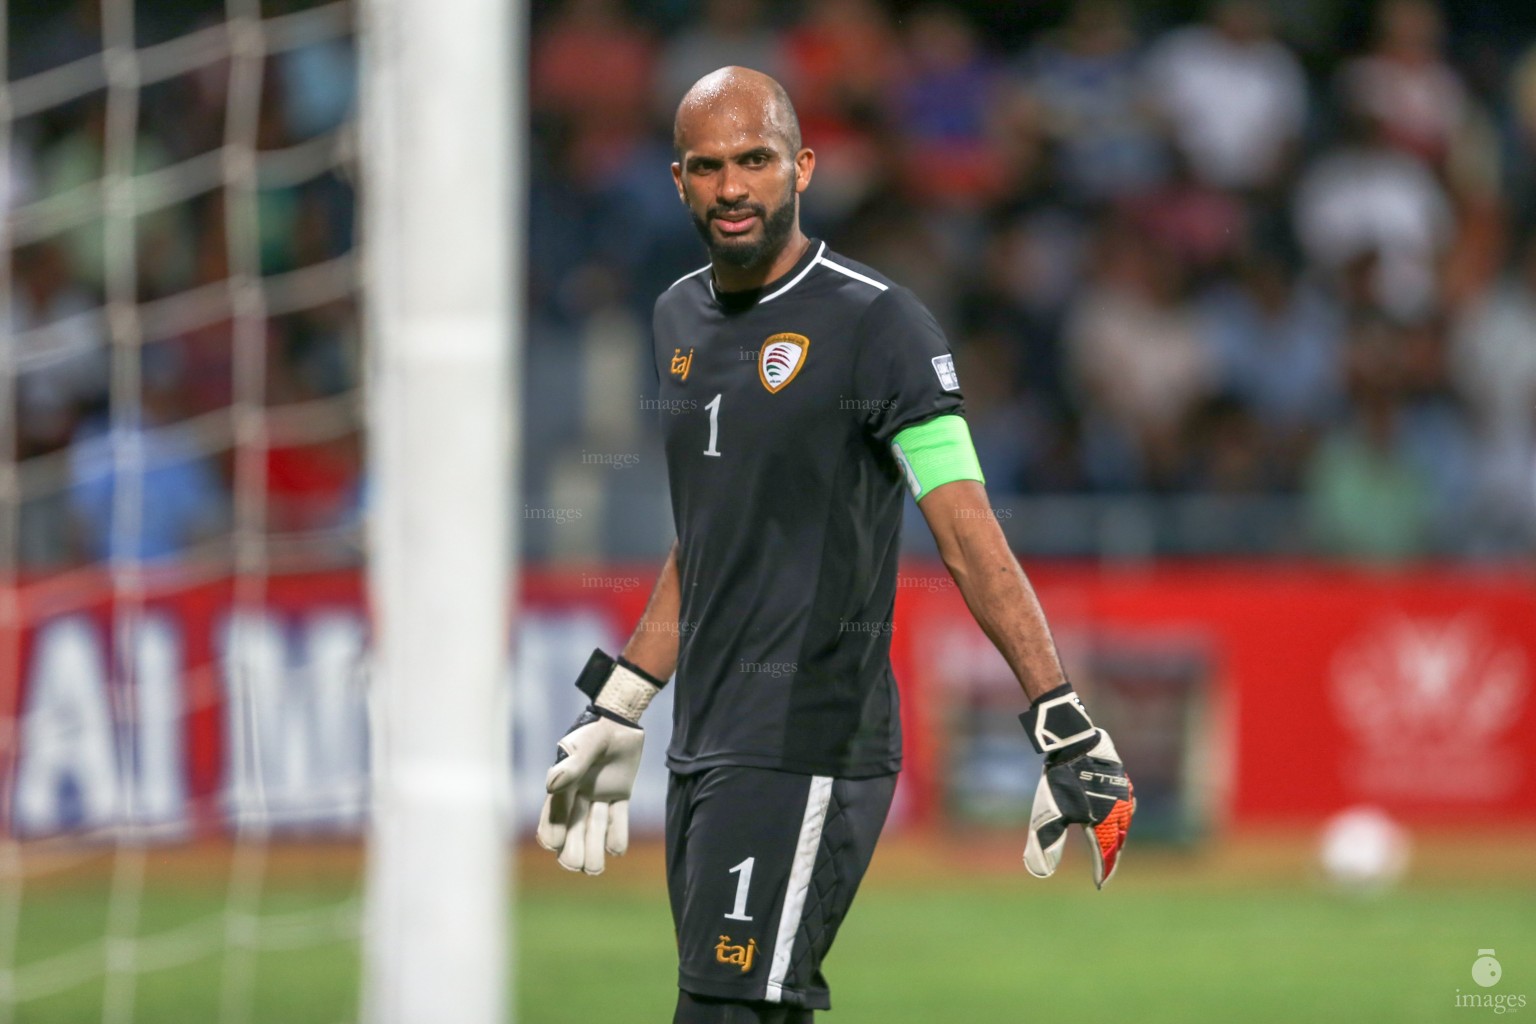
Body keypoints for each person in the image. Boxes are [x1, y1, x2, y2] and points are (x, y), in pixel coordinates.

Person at [535, 67, 1135, 1024]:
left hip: (811, 738)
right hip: (709, 745)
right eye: (708, 166)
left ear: (803, 167)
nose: (734, 186)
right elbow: (709, 539)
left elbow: (968, 529)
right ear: (678, 180)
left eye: (757, 160)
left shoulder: (878, 324)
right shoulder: (675, 318)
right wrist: (623, 701)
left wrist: (1057, 712)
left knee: (724, 1011)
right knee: (753, 1008)